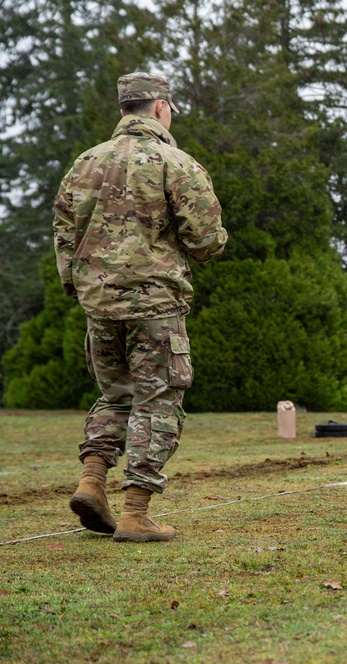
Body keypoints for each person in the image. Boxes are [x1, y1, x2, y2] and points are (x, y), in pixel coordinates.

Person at [54, 72, 227, 542]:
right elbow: (206, 240)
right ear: (159, 108)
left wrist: (81, 287)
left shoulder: (85, 163)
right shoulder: (175, 162)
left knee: (116, 397)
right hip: (155, 306)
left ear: (123, 109)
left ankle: (92, 482)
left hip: (100, 306)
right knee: (158, 402)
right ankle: (134, 511)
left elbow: (64, 236)